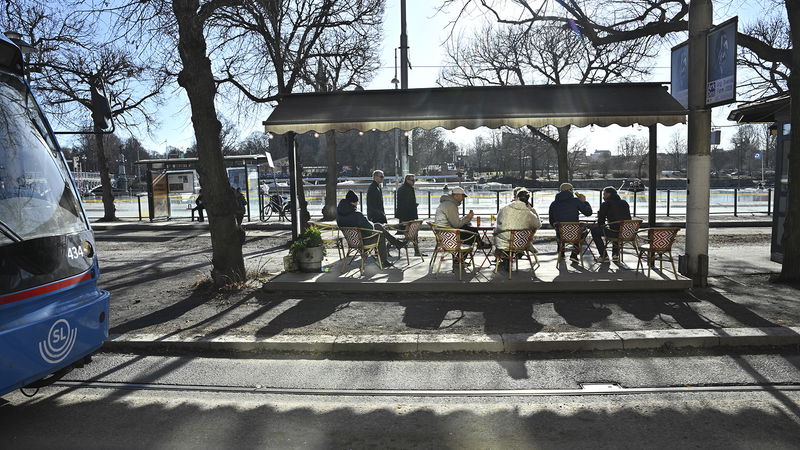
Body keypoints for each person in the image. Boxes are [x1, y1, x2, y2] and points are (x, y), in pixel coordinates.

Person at [337, 190, 403, 266]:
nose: (357, 204)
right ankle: (384, 261)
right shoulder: (357, 215)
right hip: (363, 242)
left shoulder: (339, 215)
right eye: (357, 202)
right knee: (380, 234)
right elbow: (370, 228)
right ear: (353, 202)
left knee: (378, 226)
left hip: (352, 241)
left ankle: (396, 243)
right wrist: (371, 224)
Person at [493, 188, 541, 267]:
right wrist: (532, 210)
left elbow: (498, 223)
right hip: (522, 242)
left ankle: (504, 257)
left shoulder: (504, 209)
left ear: (517, 198)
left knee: (498, 234)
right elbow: (538, 225)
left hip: (505, 241)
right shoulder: (529, 213)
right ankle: (512, 256)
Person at [548, 182, 592, 262]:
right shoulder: (575, 201)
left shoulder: (553, 204)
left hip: (561, 234)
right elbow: (588, 213)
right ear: (569, 190)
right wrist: (584, 201)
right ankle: (574, 254)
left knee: (559, 226)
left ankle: (561, 253)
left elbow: (551, 221)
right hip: (575, 233)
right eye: (572, 189)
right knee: (584, 231)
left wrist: (557, 226)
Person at [590, 186, 631, 262]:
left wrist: (600, 215)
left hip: (615, 233)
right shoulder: (624, 202)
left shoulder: (606, 204)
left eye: (604, 194)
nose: (603, 196)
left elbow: (601, 223)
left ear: (608, 194)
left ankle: (603, 255)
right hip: (627, 233)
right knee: (616, 227)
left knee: (594, 231)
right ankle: (615, 255)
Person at [395, 173, 424, 256]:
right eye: (412, 180)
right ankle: (415, 251)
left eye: (414, 180)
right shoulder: (406, 189)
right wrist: (413, 205)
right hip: (407, 216)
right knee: (411, 233)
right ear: (407, 180)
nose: (413, 182)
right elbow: (405, 204)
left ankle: (416, 251)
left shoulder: (405, 188)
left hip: (406, 215)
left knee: (412, 234)